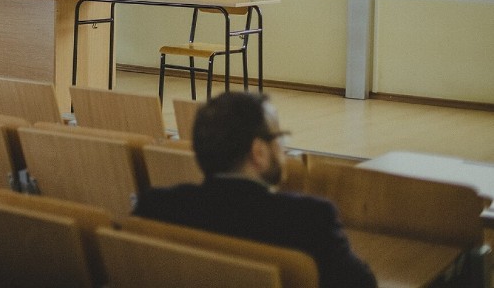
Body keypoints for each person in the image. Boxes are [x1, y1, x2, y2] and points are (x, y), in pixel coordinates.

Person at [133, 91, 377, 288]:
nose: (284, 150)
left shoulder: (155, 206)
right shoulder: (310, 220)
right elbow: (363, 284)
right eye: (278, 138)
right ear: (258, 152)